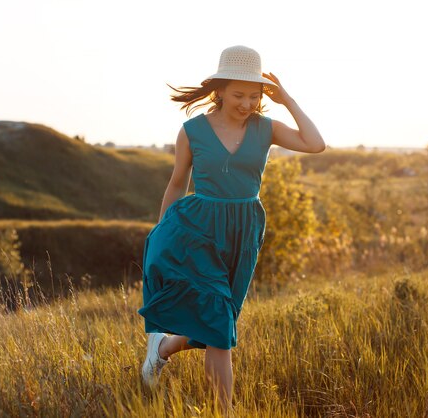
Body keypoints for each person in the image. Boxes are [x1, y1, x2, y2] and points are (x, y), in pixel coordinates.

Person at [137, 45, 325, 415]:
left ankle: (161, 350)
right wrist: (161, 233)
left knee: (217, 324)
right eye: (239, 94)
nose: (247, 103)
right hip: (197, 231)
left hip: (244, 229)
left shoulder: (266, 129)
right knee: (220, 328)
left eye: (254, 96)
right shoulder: (192, 131)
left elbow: (314, 144)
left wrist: (286, 99)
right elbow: (177, 184)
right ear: (219, 90)